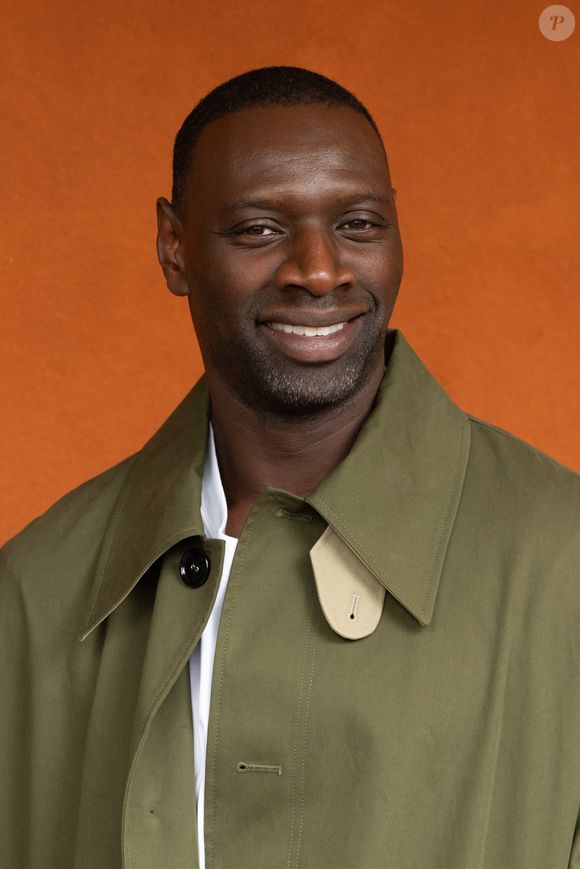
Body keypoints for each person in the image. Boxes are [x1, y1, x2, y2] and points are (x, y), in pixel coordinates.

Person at [0, 66, 579, 869]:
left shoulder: (563, 561)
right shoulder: (34, 590)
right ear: (173, 246)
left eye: (360, 223)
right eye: (260, 230)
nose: (319, 269)